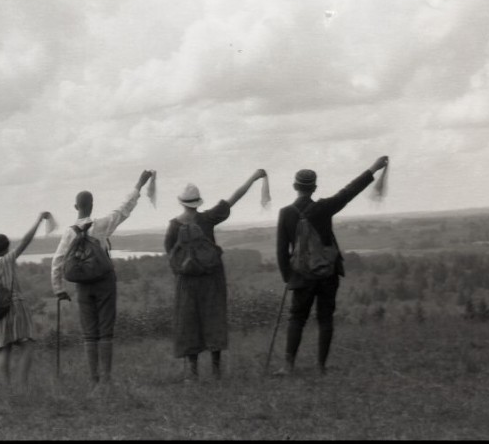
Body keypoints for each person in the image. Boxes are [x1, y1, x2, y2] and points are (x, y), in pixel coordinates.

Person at [274, 156, 389, 376]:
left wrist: (289, 278)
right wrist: (374, 167)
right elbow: (349, 191)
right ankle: (321, 367)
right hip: (328, 272)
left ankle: (288, 366)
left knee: (297, 319)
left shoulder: (286, 213)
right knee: (325, 318)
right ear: (314, 188)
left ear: (294, 187)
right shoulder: (325, 207)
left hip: (301, 275)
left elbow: (281, 250)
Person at [51, 170, 154, 390]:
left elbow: (58, 261)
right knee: (106, 329)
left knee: (90, 331)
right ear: (92, 205)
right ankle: (106, 378)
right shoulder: (102, 225)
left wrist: (59, 289)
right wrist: (139, 184)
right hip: (105, 281)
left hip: (83, 286)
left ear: (76, 207)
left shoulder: (69, 233)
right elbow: (124, 208)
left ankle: (93, 379)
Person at [164, 169, 268, 382]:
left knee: (189, 321)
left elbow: (170, 253)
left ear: (182, 203)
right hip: (212, 278)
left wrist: (183, 269)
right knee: (214, 319)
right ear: (198, 203)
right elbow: (234, 198)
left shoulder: (174, 225)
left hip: (187, 281)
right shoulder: (208, 218)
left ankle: (192, 373)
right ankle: (216, 370)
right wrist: (254, 177)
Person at [0, 211, 53, 388]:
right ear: (6, 248)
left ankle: (7, 388)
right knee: (27, 344)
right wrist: (38, 220)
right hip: (14, 306)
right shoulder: (7, 260)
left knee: (3, 348)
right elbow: (26, 241)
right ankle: (22, 383)